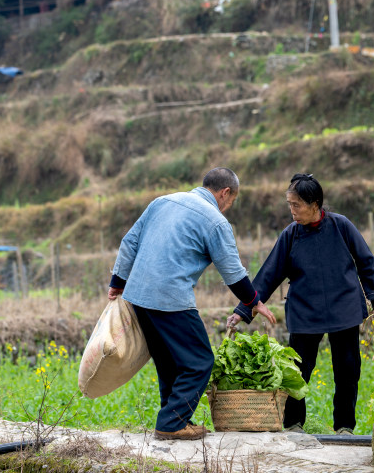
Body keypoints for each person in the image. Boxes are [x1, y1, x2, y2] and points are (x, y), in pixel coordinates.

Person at [107, 167, 276, 440]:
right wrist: (254, 301)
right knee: (199, 360)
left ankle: (172, 419)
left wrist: (118, 282)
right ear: (225, 193)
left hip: (137, 294)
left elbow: (129, 242)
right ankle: (172, 423)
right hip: (169, 297)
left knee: (168, 360)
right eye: (231, 202)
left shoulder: (162, 202)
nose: (228, 208)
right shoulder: (215, 221)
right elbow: (232, 272)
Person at [227, 173, 374, 434]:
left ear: (315, 204)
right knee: (297, 371)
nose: (291, 211)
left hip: (343, 309)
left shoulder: (342, 226)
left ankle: (345, 426)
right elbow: (269, 274)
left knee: (347, 370)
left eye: (296, 205)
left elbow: (366, 262)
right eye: (289, 204)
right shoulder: (291, 234)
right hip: (305, 311)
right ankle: (293, 424)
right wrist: (244, 309)